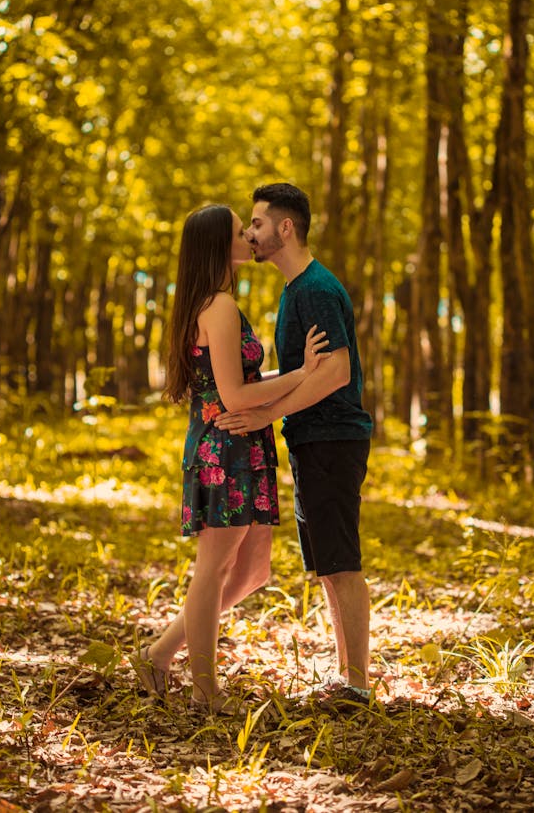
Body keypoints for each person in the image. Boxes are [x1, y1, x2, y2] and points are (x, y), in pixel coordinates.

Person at [129, 203, 329, 714]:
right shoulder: (216, 306)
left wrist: (297, 374)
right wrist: (302, 374)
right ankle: (205, 691)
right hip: (224, 449)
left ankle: (158, 654)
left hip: (245, 444)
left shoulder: (219, 303)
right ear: (220, 245)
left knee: (252, 573)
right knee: (214, 570)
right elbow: (236, 397)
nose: (250, 236)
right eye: (242, 231)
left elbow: (241, 384)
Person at [215, 183, 373, 707]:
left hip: (333, 438)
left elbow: (337, 372)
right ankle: (348, 677)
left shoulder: (315, 289)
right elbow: (309, 372)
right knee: (327, 562)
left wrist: (267, 412)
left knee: (341, 561)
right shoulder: (296, 290)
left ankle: (357, 686)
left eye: (257, 223)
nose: (249, 233)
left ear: (286, 228)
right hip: (312, 439)